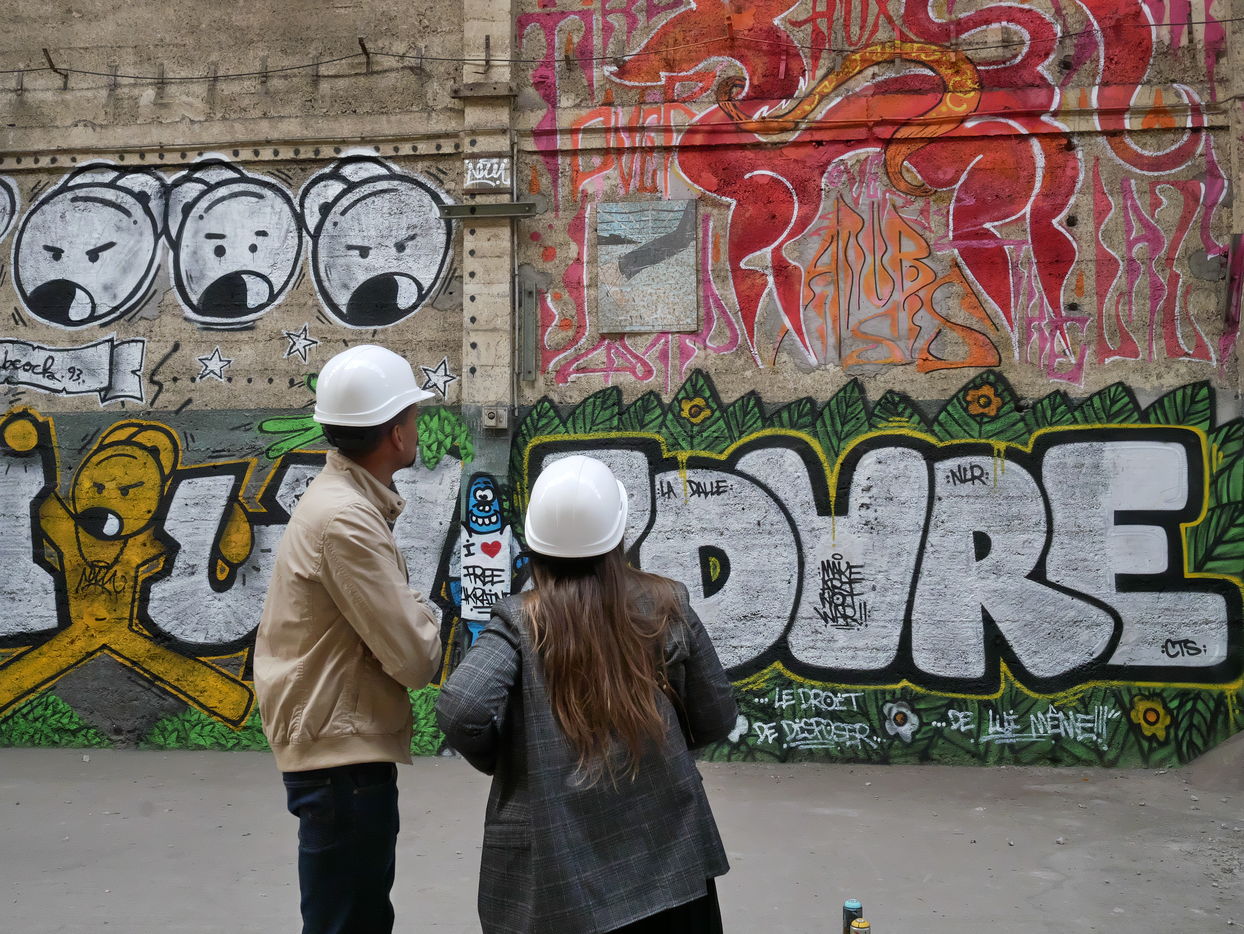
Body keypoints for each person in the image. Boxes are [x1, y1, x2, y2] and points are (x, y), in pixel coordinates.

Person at [437, 454, 738, 934]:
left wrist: (511, 758)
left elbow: (461, 708)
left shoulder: (520, 622)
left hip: (560, 877)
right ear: (617, 538)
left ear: (535, 546)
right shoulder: (667, 603)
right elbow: (716, 715)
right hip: (667, 855)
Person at [253, 344, 443, 934]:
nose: (417, 427)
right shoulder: (346, 520)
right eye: (413, 415)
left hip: (339, 752)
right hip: (343, 763)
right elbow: (417, 659)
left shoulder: (347, 503)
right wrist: (426, 610)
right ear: (395, 433)